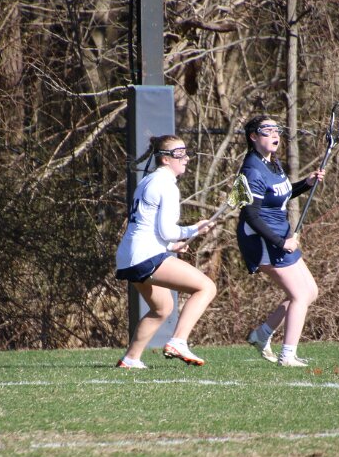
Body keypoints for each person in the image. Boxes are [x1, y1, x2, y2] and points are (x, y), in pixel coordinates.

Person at [115, 135, 217, 368]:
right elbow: (168, 231)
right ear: (165, 159)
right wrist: (195, 229)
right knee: (206, 287)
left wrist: (171, 247)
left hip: (128, 256)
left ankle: (130, 359)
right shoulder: (166, 184)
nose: (186, 158)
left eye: (186, 152)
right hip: (144, 255)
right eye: (179, 153)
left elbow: (150, 227)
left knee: (162, 308)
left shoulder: (149, 180)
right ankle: (179, 341)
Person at [236, 115, 326, 367]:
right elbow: (251, 215)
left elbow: (279, 196)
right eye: (267, 130)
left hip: (280, 235)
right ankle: (287, 355)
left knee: (310, 292)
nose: (275, 134)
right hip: (265, 240)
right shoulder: (252, 170)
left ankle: (262, 334)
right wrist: (280, 242)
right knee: (299, 295)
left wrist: (306, 184)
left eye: (277, 129)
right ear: (253, 137)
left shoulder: (272, 163)